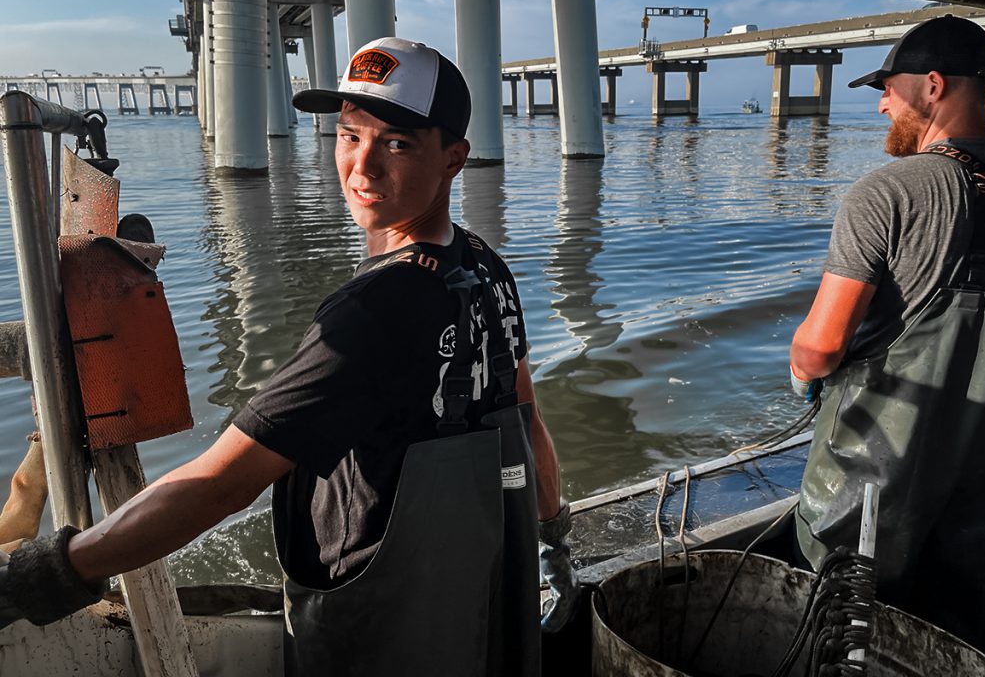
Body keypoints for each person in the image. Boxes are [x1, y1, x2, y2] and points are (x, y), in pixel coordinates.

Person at [0, 37, 579, 675]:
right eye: (349, 135)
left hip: (379, 629)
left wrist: (48, 573)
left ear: (454, 158)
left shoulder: (370, 315)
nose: (362, 168)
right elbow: (526, 420)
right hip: (479, 598)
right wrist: (553, 538)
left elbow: (220, 484)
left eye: (397, 143)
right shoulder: (487, 267)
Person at [790, 15, 985, 669]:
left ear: (932, 85)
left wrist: (800, 362)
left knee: (846, 639)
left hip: (873, 496)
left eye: (888, 88)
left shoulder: (885, 192)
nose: (882, 102)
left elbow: (822, 345)